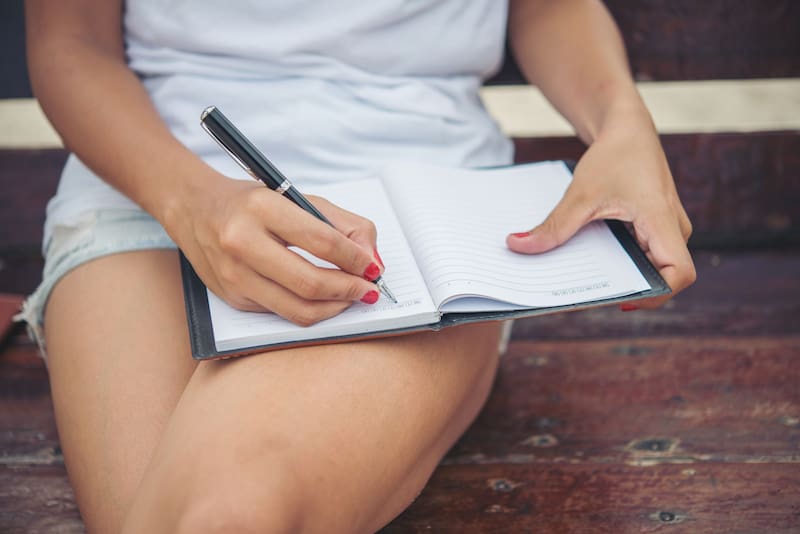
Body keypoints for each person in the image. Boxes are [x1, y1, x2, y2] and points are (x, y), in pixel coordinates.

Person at [22, 0, 695, 531]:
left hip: (415, 209)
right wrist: (189, 200)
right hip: (147, 181)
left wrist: (622, 122)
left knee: (229, 514)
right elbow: (69, 40)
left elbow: (546, 5)